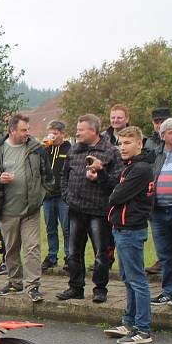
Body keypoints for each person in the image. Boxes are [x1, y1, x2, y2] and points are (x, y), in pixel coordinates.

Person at [0, 114, 53, 302]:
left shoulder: (36, 149)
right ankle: (15, 282)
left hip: (31, 209)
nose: (27, 133)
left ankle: (33, 286)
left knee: (32, 247)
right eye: (23, 130)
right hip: (7, 209)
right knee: (11, 248)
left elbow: (48, 176)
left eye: (28, 130)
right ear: (12, 131)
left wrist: (41, 195)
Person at [56, 114, 123, 303]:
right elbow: (64, 175)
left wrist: (100, 173)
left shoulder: (110, 152)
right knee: (73, 252)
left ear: (93, 130)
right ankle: (75, 287)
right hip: (76, 208)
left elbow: (116, 182)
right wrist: (67, 196)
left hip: (99, 211)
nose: (77, 133)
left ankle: (100, 289)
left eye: (81, 129)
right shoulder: (75, 150)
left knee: (101, 253)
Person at [100, 127, 155, 344]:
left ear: (139, 144)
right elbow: (116, 192)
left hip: (131, 230)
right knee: (128, 278)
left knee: (137, 280)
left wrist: (115, 192)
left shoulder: (140, 169)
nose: (122, 147)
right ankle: (129, 322)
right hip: (122, 229)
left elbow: (116, 196)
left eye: (127, 143)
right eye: (120, 143)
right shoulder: (130, 167)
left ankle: (142, 329)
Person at [149, 117, 172, 308]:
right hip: (158, 212)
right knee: (165, 255)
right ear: (163, 136)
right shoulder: (157, 155)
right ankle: (168, 292)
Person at [41, 120, 72, 270]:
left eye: (55, 133)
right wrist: (43, 148)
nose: (52, 135)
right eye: (51, 132)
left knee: (67, 228)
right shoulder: (46, 149)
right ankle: (52, 256)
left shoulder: (69, 149)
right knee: (50, 227)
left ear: (63, 134)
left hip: (63, 195)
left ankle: (69, 257)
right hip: (47, 195)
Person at [145, 107, 172, 275]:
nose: (159, 124)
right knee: (158, 232)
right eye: (156, 121)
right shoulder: (149, 142)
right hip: (154, 191)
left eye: (162, 121)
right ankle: (161, 260)